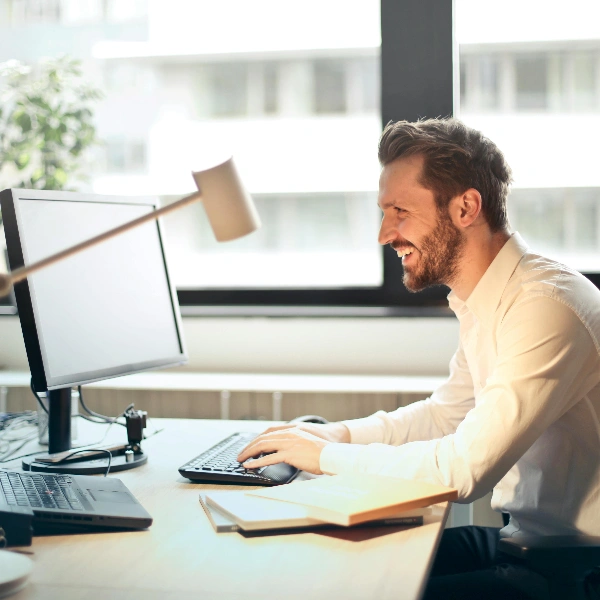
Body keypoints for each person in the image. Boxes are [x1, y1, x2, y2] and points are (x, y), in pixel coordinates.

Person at [237, 118, 600, 599]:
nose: (385, 233)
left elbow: (462, 470)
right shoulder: (485, 299)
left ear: (466, 207)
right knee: (339, 566)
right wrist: (334, 434)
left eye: (399, 211)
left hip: (574, 567)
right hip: (524, 543)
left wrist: (324, 457)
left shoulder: (545, 307)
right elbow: (446, 416)